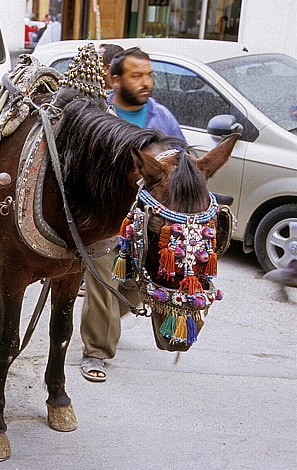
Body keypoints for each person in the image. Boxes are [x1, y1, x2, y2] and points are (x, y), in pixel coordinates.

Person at [80, 46, 185, 382]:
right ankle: (97, 352)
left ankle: (106, 318)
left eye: (149, 75)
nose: (146, 82)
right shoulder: (99, 115)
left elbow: (181, 165)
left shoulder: (162, 118)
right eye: (137, 75)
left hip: (148, 223)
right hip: (104, 215)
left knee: (139, 286)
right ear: (115, 79)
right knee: (103, 278)